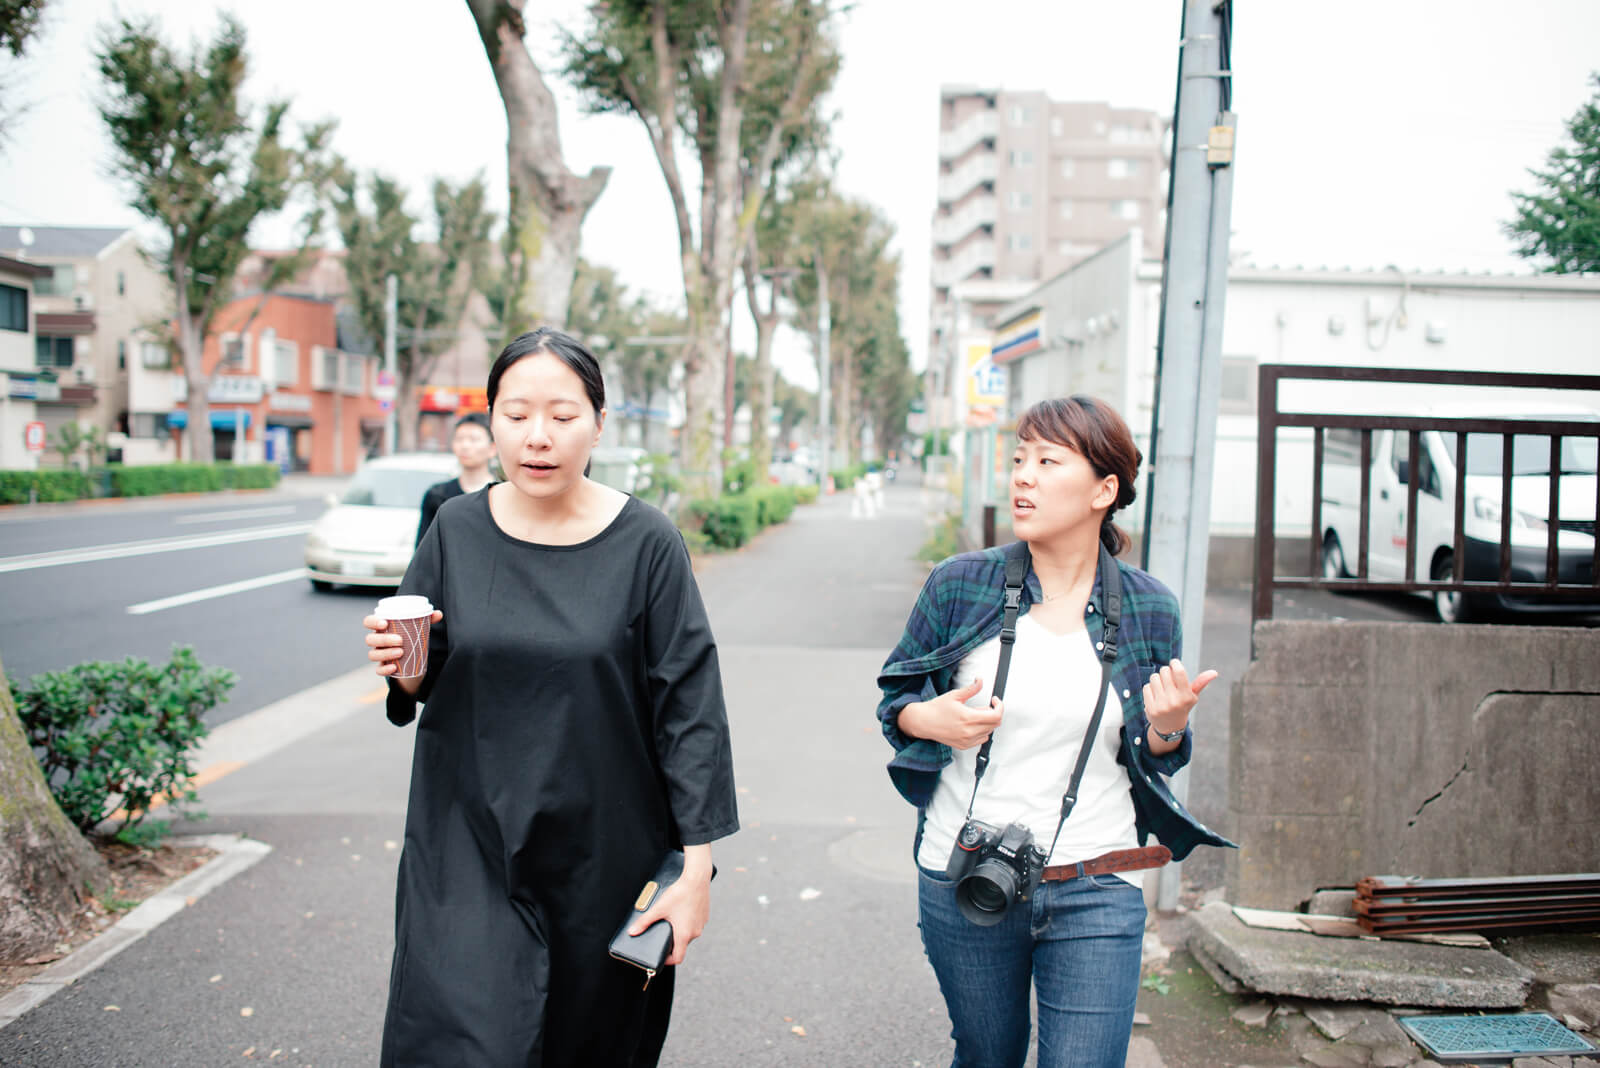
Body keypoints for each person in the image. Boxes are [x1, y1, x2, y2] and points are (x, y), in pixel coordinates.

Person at [363, 327, 739, 1067]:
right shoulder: (455, 529)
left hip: (605, 858)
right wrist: (398, 667)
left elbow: (690, 711)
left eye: (563, 416)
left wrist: (695, 871)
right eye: (516, 414)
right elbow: (422, 679)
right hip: (465, 846)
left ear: (598, 424)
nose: (538, 436)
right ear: (491, 421)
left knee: (588, 1045)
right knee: (462, 1043)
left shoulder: (647, 542)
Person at [876, 396, 1235, 1068]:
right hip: (965, 872)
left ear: (1104, 490)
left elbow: (1155, 754)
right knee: (988, 1055)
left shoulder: (1149, 606)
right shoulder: (961, 584)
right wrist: (930, 719)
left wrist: (1167, 728)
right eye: (1019, 459)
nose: (1022, 476)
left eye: (1047, 461)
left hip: (1097, 879)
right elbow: (897, 696)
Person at [415, 411, 496, 546]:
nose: (465, 446)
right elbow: (424, 549)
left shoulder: (503, 496)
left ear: (493, 448)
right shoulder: (437, 496)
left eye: (473, 440)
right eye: (459, 439)